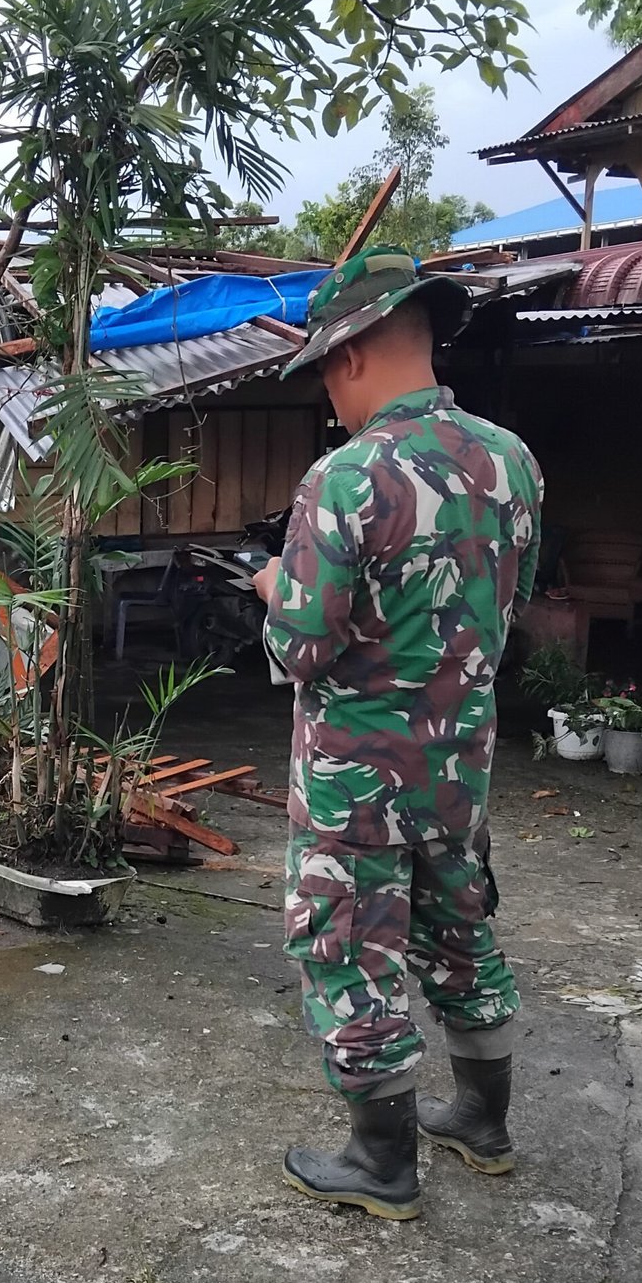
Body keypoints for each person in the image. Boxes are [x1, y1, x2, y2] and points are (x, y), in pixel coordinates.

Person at [252, 247, 541, 1222]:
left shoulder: (344, 478)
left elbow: (300, 647)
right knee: (460, 927)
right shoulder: (511, 461)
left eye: (326, 373)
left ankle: (382, 1162)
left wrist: (273, 589)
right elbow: (503, 608)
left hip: (356, 780)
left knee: (347, 948)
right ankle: (484, 1122)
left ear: (351, 356)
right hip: (459, 766)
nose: (330, 396)